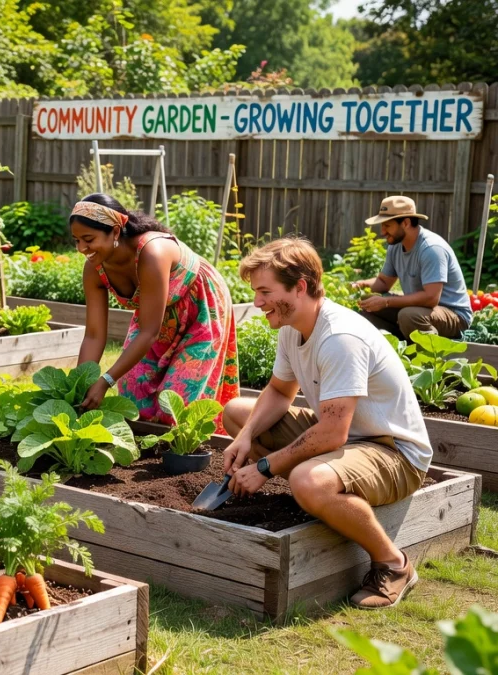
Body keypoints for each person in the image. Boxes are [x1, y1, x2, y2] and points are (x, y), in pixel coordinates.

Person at [222, 238, 431, 609]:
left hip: (393, 451)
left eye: (264, 291)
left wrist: (266, 467)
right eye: (256, 292)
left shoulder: (339, 337)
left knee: (306, 479)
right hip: (351, 438)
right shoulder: (292, 325)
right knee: (238, 413)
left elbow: (333, 432)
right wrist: (245, 438)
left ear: (299, 287)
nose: (256, 303)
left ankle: (394, 565)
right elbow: (279, 391)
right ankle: (319, 496)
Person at [72, 193, 239, 424]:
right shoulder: (94, 268)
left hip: (199, 307)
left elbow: (149, 332)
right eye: (76, 240)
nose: (81, 248)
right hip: (156, 312)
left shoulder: (152, 252)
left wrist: (105, 381)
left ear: (116, 231)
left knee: (175, 405)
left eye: (88, 239)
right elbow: (94, 335)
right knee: (133, 393)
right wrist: (79, 384)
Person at [353, 195, 472, 339]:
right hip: (420, 310)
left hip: (453, 315)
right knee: (368, 305)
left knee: (408, 315)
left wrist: (386, 302)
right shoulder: (396, 245)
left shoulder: (431, 249)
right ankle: (400, 346)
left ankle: (429, 356)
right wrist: (359, 286)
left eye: (387, 225)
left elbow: (431, 298)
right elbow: (384, 283)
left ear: (405, 223)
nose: (382, 232)